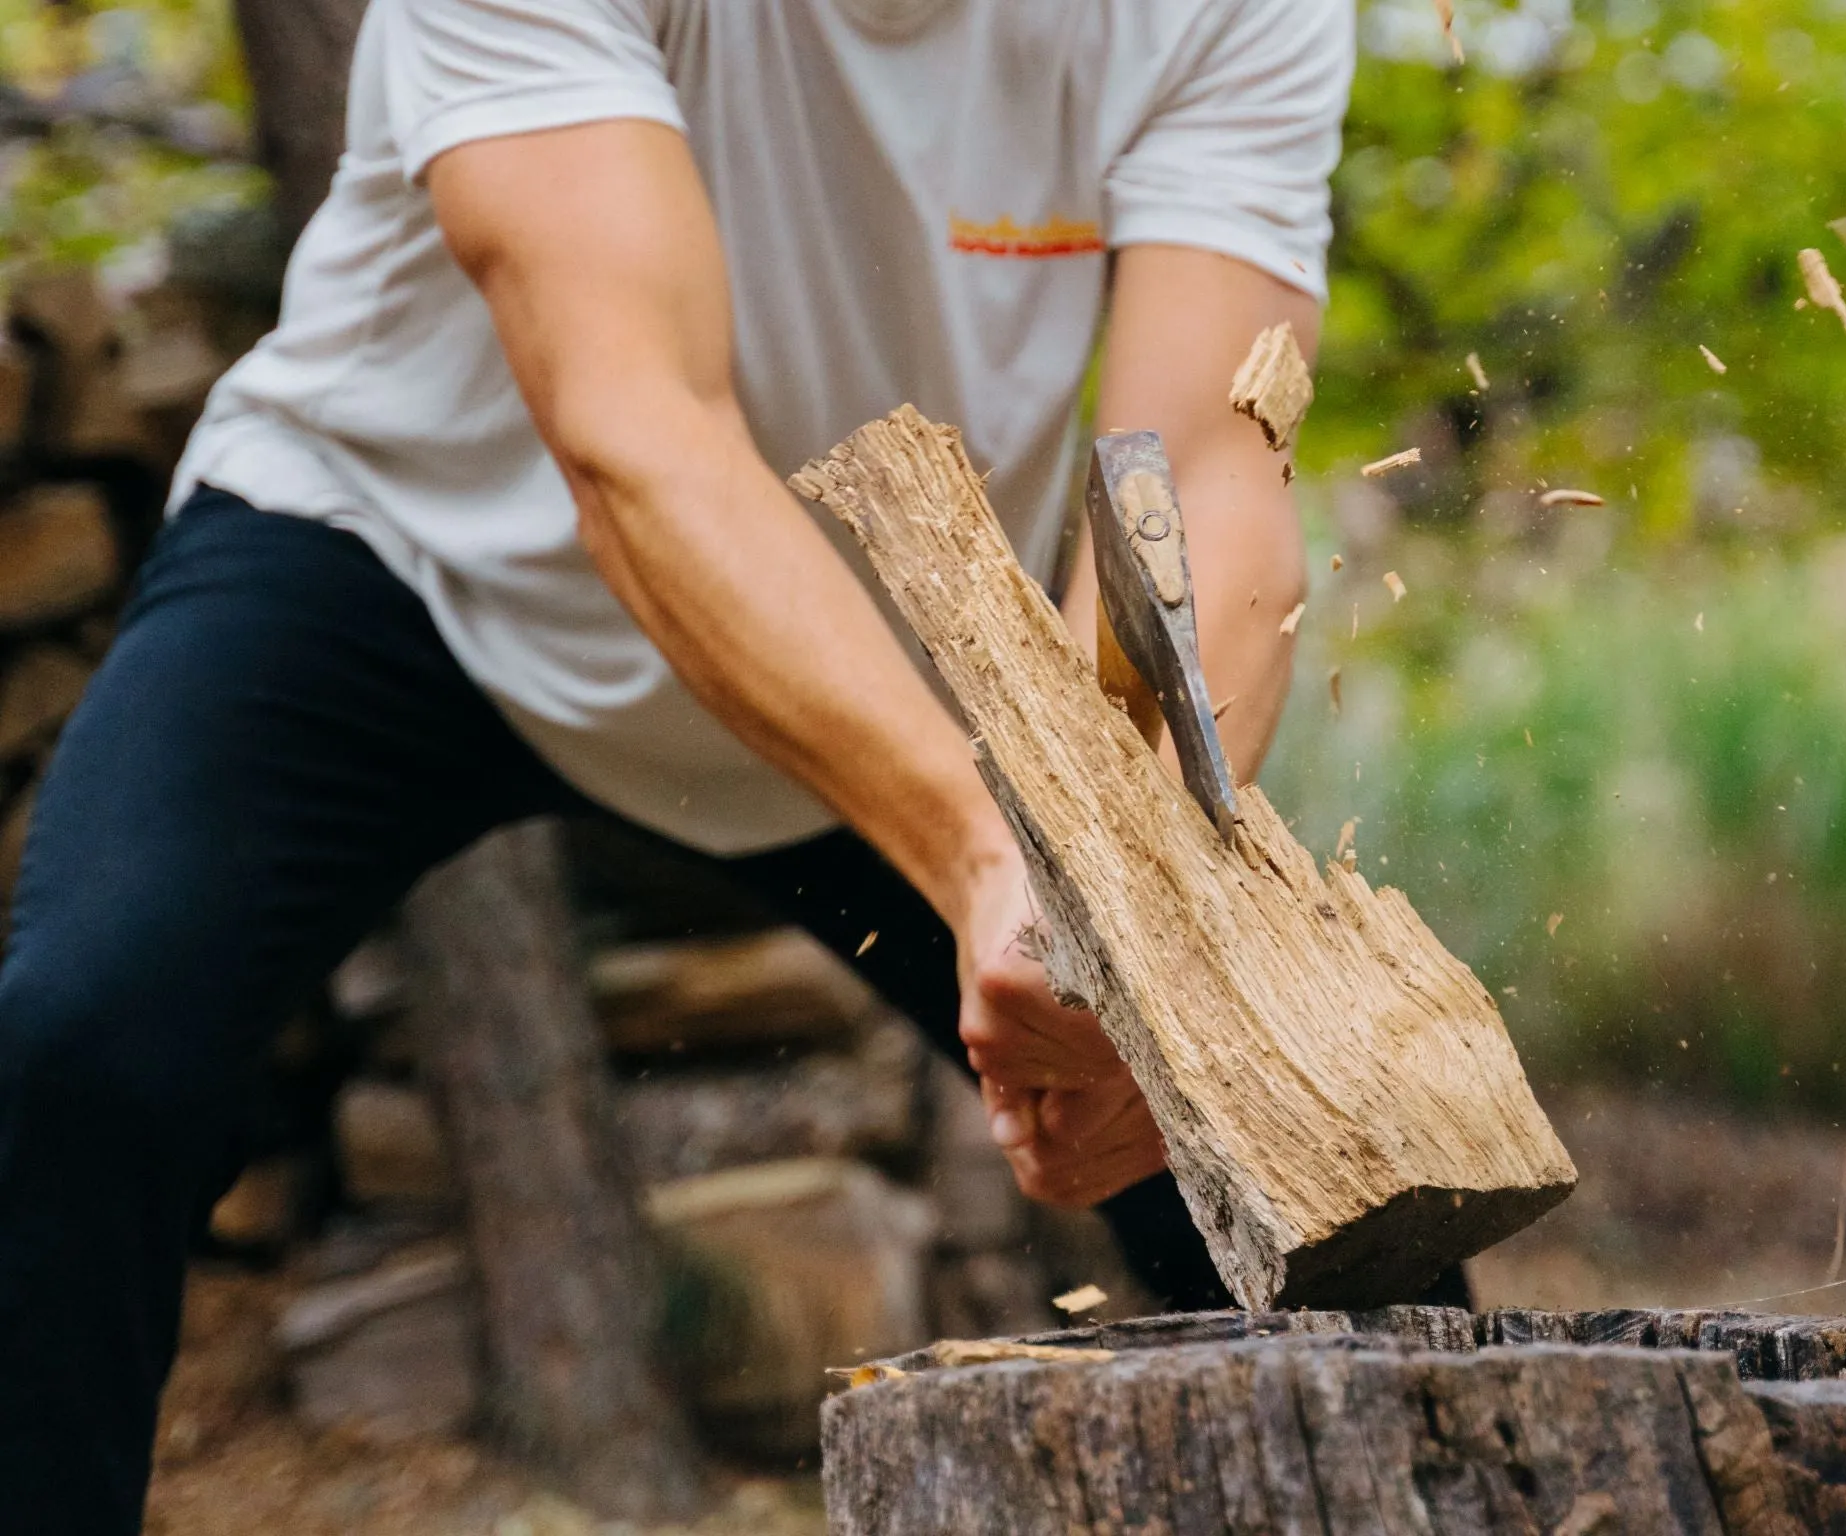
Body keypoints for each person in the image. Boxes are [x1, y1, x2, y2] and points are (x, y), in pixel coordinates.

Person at [0, 0, 1372, 1527]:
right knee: (82, 1053)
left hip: (869, 651)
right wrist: (995, 857)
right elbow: (631, 422)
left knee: (1329, 1201)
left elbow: (1207, 477)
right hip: (395, 562)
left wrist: (1114, 906)